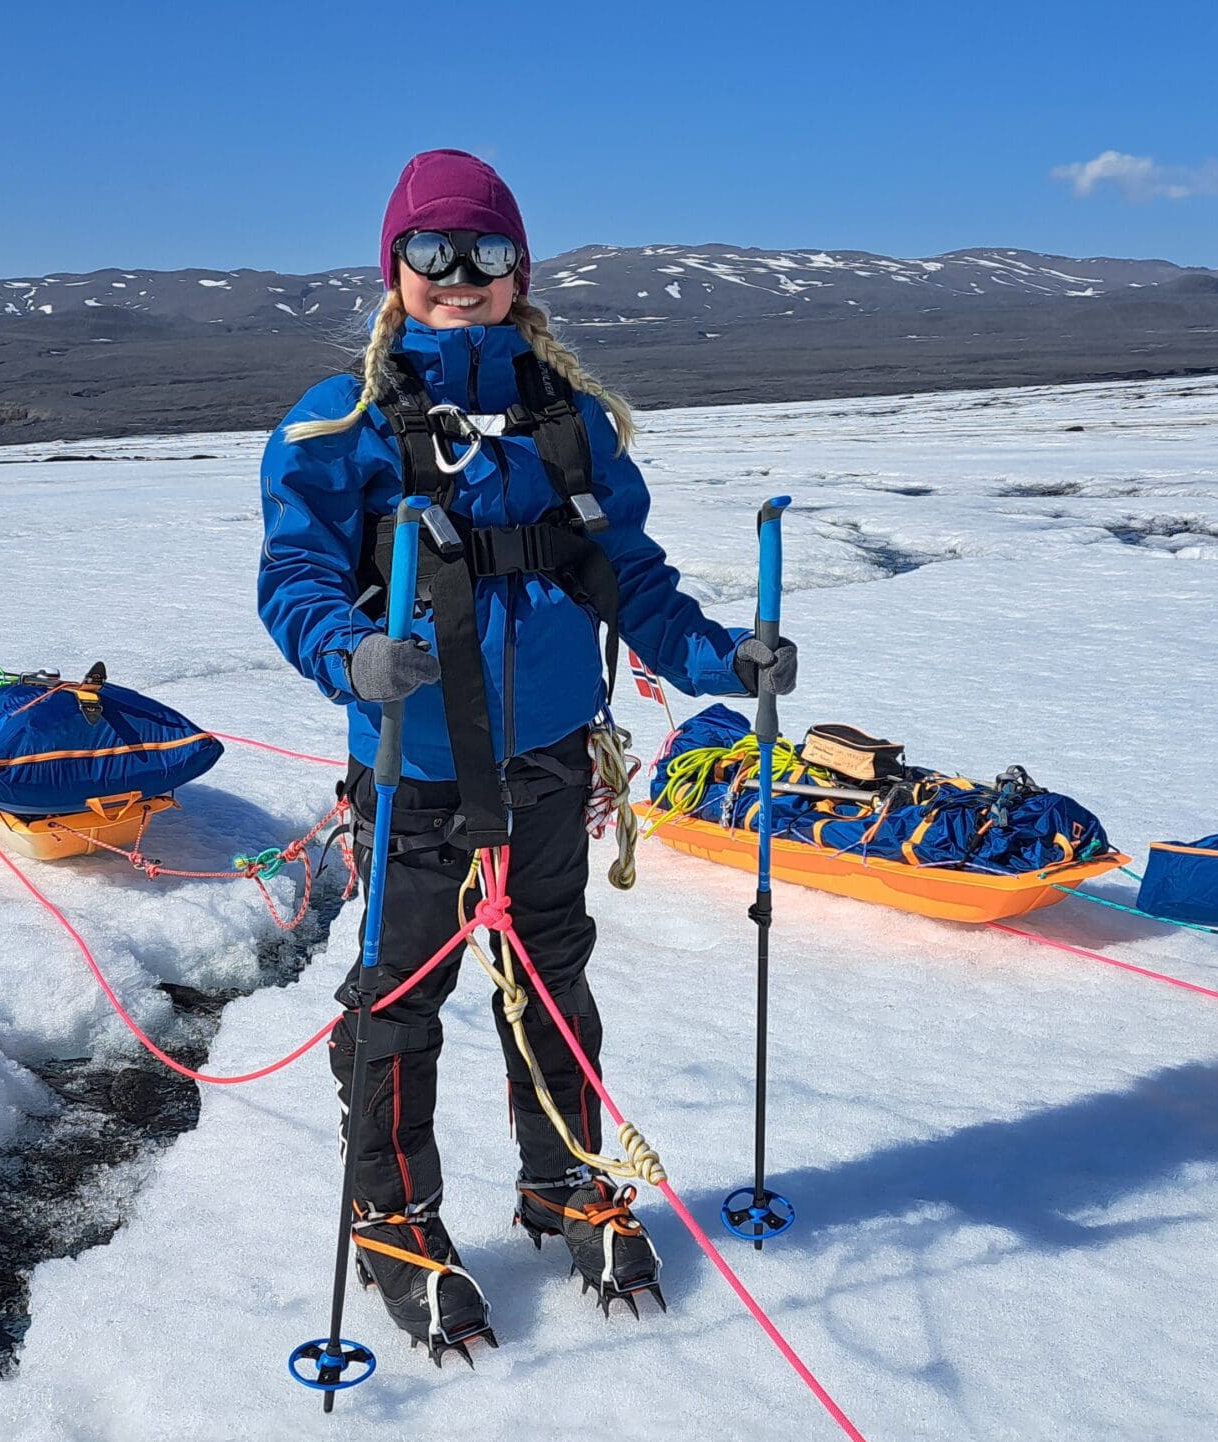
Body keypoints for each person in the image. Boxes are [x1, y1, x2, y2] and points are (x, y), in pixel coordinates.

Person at [257, 149, 798, 1360]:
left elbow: (633, 582)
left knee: (550, 975)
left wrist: (724, 661)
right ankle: (394, 1217)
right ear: (394, 268)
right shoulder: (338, 423)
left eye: (486, 251)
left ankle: (562, 1179)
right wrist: (351, 653)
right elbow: (294, 577)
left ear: (520, 271)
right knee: (401, 997)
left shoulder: (569, 422)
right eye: (432, 251)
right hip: (416, 770)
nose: (460, 272)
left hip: (549, 761)